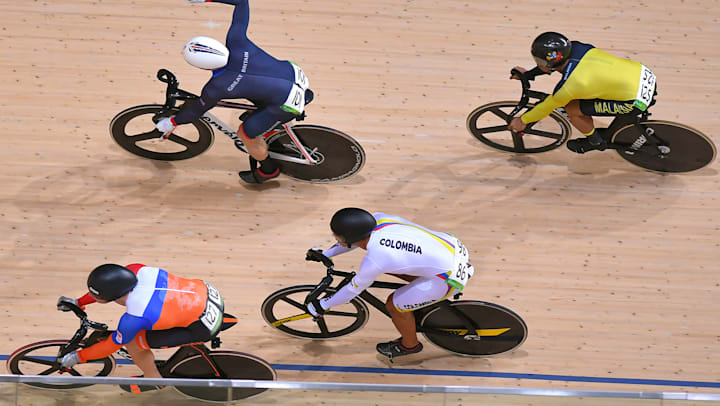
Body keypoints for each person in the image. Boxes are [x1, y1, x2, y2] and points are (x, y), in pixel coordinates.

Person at [155, 0, 311, 184]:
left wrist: (171, 122)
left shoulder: (217, 87)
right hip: (294, 75)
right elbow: (241, 2)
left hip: (285, 101)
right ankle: (265, 117)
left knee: (245, 134)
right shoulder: (237, 41)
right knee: (253, 87)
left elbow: (195, 112)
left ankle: (269, 171)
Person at [304, 208, 474, 360]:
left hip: (447, 278)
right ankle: (420, 295)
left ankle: (410, 345)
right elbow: (352, 240)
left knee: (393, 305)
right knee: (393, 266)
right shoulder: (379, 218)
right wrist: (327, 253)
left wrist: (323, 305)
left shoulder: (377, 258)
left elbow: (352, 290)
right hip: (453, 247)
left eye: (337, 237)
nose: (336, 239)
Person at [56, 263, 234, 394]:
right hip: (207, 293)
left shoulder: (134, 317)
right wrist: (78, 302)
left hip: (202, 326)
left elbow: (111, 346)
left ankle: (153, 379)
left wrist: (78, 357)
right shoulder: (136, 269)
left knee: (133, 343)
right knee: (150, 325)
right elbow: (108, 288)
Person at [507, 32, 657, 154]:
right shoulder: (578, 47)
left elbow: (547, 106)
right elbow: (552, 64)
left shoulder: (568, 86)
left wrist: (523, 120)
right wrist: (529, 74)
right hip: (644, 73)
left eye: (538, 61)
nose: (537, 63)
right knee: (589, 91)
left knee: (571, 109)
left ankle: (595, 142)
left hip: (633, 102)